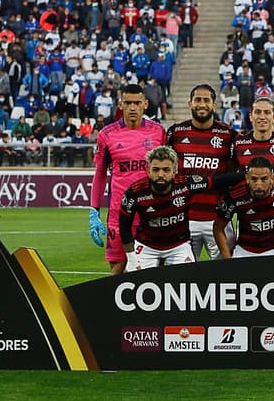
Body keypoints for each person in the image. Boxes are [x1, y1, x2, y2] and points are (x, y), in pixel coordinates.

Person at [119, 146, 242, 271]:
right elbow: (124, 226)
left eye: (166, 170)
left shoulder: (186, 184)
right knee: (133, 277)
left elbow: (217, 181)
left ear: (175, 171)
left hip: (178, 246)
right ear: (148, 171)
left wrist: (247, 175)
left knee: (186, 279)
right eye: (156, 170)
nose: (160, 174)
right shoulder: (134, 192)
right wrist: (131, 258)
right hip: (147, 246)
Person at [89, 84, 166, 275]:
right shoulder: (107, 134)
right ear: (120, 105)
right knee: (117, 269)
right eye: (128, 103)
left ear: (145, 104)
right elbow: (100, 173)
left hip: (151, 212)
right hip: (118, 213)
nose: (132, 107)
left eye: (137, 103)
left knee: (153, 272)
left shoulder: (158, 132)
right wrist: (94, 210)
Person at [166, 84, 237, 261]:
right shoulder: (175, 133)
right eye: (197, 100)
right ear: (190, 104)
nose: (202, 104)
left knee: (226, 272)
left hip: (218, 218)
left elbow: (234, 169)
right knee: (183, 273)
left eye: (206, 100)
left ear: (214, 105)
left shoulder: (228, 135)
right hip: (184, 218)